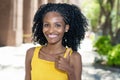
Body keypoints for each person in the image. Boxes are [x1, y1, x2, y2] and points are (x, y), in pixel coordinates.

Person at [25, 3, 88, 80]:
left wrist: (69, 70)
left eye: (57, 25)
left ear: (66, 28)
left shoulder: (74, 57)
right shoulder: (31, 53)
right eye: (47, 25)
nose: (51, 30)